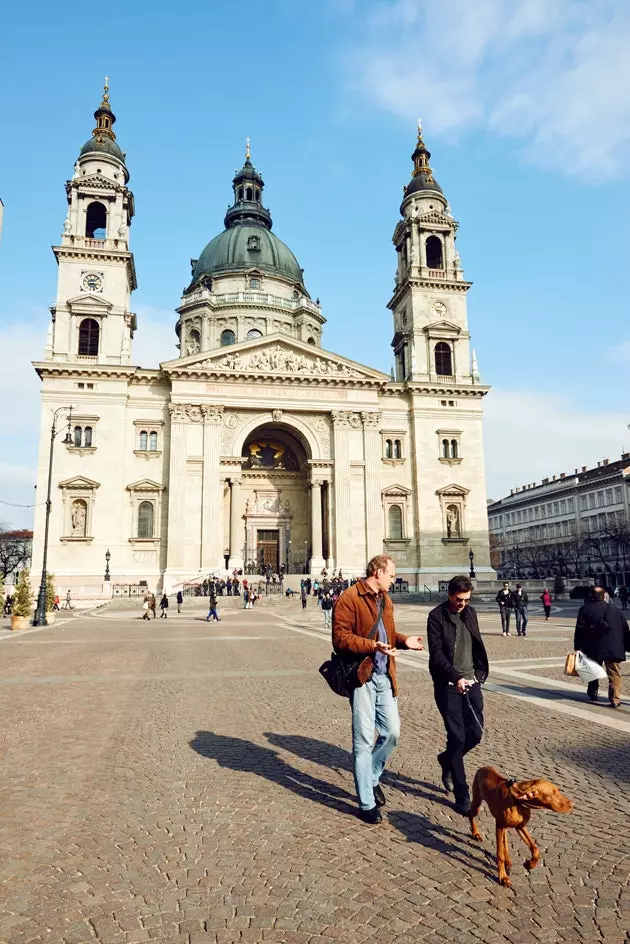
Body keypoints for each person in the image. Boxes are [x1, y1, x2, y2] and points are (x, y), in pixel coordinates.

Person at [332, 554, 424, 824]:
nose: (394, 580)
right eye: (392, 575)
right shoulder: (349, 598)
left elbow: (386, 635)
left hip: (384, 675)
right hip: (362, 677)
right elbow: (341, 638)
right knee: (362, 740)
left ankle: (371, 777)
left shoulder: (385, 599)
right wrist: (372, 647)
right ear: (378, 573)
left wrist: (405, 640)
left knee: (392, 732)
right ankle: (365, 803)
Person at [427, 574, 489, 815]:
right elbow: (436, 655)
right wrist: (455, 677)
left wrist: (480, 673)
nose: (463, 603)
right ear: (450, 595)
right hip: (448, 685)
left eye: (467, 599)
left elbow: (476, 643)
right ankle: (461, 793)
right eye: (459, 599)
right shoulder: (436, 616)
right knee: (457, 737)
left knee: (475, 734)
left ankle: (446, 759)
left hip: (472, 682)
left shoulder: (470, 612)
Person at [574, 586, 630, 708]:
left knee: (593, 670)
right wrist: (627, 645)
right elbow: (625, 629)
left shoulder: (585, 609)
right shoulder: (615, 610)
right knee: (614, 673)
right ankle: (615, 698)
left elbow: (579, 630)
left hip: (593, 647)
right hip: (613, 647)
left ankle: (592, 692)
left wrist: (578, 646)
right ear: (604, 596)